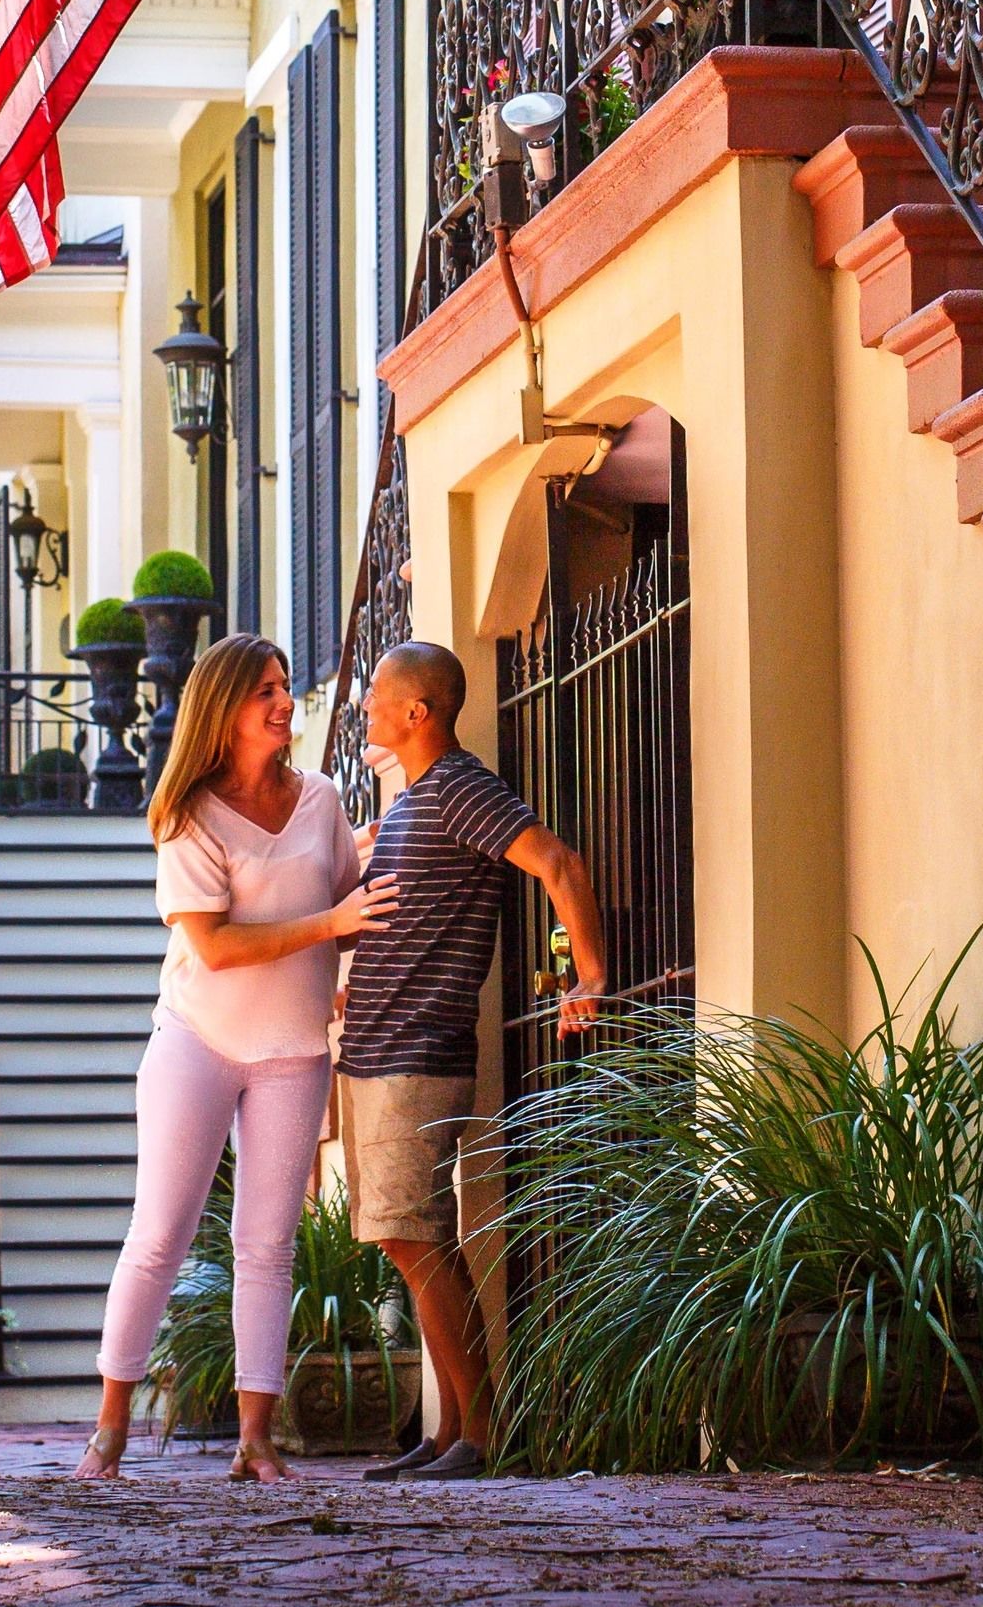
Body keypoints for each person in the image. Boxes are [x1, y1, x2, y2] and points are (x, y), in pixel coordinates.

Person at [80, 633, 397, 1482]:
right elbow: (213, 948)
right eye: (265, 690)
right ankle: (108, 1431)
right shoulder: (190, 816)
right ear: (224, 709)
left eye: (286, 686)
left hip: (294, 1050)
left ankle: (255, 1441)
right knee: (161, 1234)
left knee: (268, 1246)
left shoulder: (322, 799)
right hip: (198, 1042)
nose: (284, 701)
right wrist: (329, 927)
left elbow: (342, 900)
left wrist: (371, 863)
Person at [340, 640, 608, 1482]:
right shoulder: (418, 797)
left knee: (412, 1241)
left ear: (418, 711)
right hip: (381, 1047)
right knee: (420, 1242)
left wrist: (588, 974)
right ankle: (448, 1428)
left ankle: (483, 1432)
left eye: (377, 694)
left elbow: (560, 864)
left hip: (417, 1049)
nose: (365, 706)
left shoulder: (460, 787)